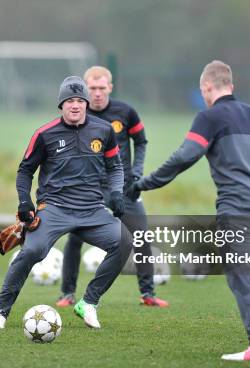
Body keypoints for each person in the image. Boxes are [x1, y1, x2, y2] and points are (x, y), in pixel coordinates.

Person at [126, 60, 250, 361]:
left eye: (204, 90)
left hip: (237, 208)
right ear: (231, 85)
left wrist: (144, 184)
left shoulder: (210, 117)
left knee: (238, 273)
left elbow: (185, 156)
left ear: (206, 88)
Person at [0, 76, 130, 330]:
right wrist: (24, 201)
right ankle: (0, 311)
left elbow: (115, 167)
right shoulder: (44, 134)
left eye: (79, 100)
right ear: (61, 105)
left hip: (92, 209)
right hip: (54, 208)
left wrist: (117, 192)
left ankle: (89, 302)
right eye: (69, 101)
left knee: (124, 242)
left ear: (86, 104)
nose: (75, 106)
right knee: (32, 251)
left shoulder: (104, 131)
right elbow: (25, 171)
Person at [56, 66, 168, 308]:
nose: (97, 93)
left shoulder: (126, 112)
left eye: (101, 87)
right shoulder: (79, 116)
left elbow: (141, 141)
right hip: (90, 187)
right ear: (86, 89)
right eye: (92, 88)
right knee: (75, 237)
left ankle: (147, 294)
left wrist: (137, 172)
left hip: (124, 186)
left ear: (110, 87)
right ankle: (67, 294)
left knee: (140, 236)